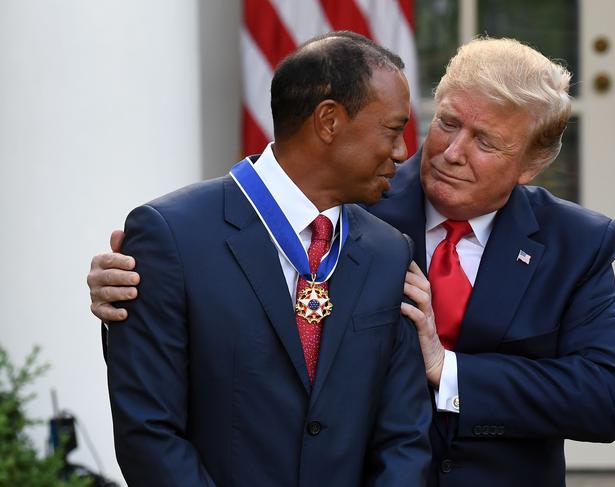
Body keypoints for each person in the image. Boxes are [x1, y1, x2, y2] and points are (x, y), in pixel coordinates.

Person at [88, 37, 615, 486]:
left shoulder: (576, 243)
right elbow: (224, 262)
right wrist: (135, 286)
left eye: (486, 142)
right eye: (446, 122)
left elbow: (606, 398)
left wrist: (448, 371)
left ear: (531, 164)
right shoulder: (353, 196)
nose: (448, 151)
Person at [97, 32, 432, 487]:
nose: (402, 153)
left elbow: (404, 438)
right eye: (393, 130)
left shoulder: (389, 250)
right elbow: (148, 432)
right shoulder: (170, 235)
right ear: (329, 121)